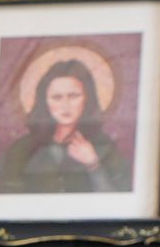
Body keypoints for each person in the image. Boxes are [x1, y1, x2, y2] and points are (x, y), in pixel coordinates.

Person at [7, 54, 121, 196]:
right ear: (45, 101)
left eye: (73, 96)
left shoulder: (104, 145)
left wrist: (93, 164)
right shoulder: (21, 149)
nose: (65, 105)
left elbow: (118, 202)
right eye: (57, 97)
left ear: (87, 98)